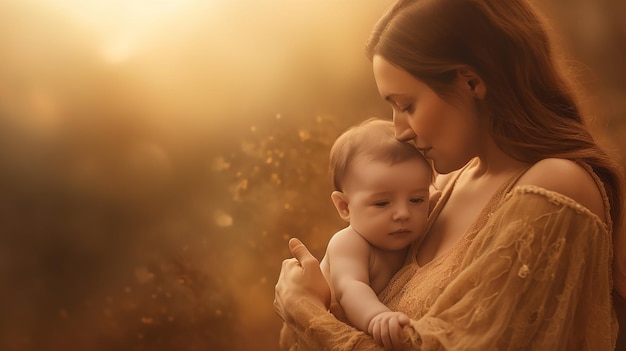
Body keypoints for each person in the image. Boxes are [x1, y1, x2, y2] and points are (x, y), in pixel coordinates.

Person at [274, 0, 626, 350]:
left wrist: (305, 310)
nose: (399, 131)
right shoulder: (438, 188)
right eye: (392, 108)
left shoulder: (552, 186)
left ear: (470, 83)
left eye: (407, 105)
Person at [317, 118, 432, 345]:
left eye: (416, 199)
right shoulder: (348, 243)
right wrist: (376, 316)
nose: (403, 213)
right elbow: (350, 287)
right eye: (382, 203)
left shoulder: (413, 227)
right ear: (344, 206)